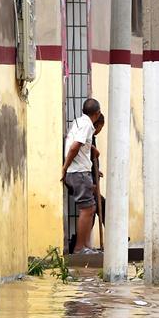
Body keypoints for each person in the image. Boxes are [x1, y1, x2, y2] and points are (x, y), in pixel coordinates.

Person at [61, 97, 102, 253]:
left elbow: (79, 142)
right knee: (87, 209)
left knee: (91, 208)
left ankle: (86, 246)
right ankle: (80, 248)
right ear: (97, 113)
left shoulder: (79, 122)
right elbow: (75, 146)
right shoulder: (87, 125)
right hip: (79, 173)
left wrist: (92, 148)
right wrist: (65, 167)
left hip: (78, 171)